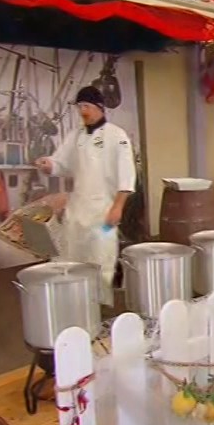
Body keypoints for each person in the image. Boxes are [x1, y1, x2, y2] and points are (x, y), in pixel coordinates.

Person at [35, 86, 137, 307]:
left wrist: (118, 207)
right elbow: (61, 163)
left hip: (104, 213)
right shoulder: (75, 136)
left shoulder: (117, 136)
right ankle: (77, 304)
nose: (83, 111)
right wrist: (48, 165)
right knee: (72, 256)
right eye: (80, 107)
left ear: (99, 107)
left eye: (87, 106)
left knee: (101, 258)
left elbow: (127, 175)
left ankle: (101, 306)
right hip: (77, 210)